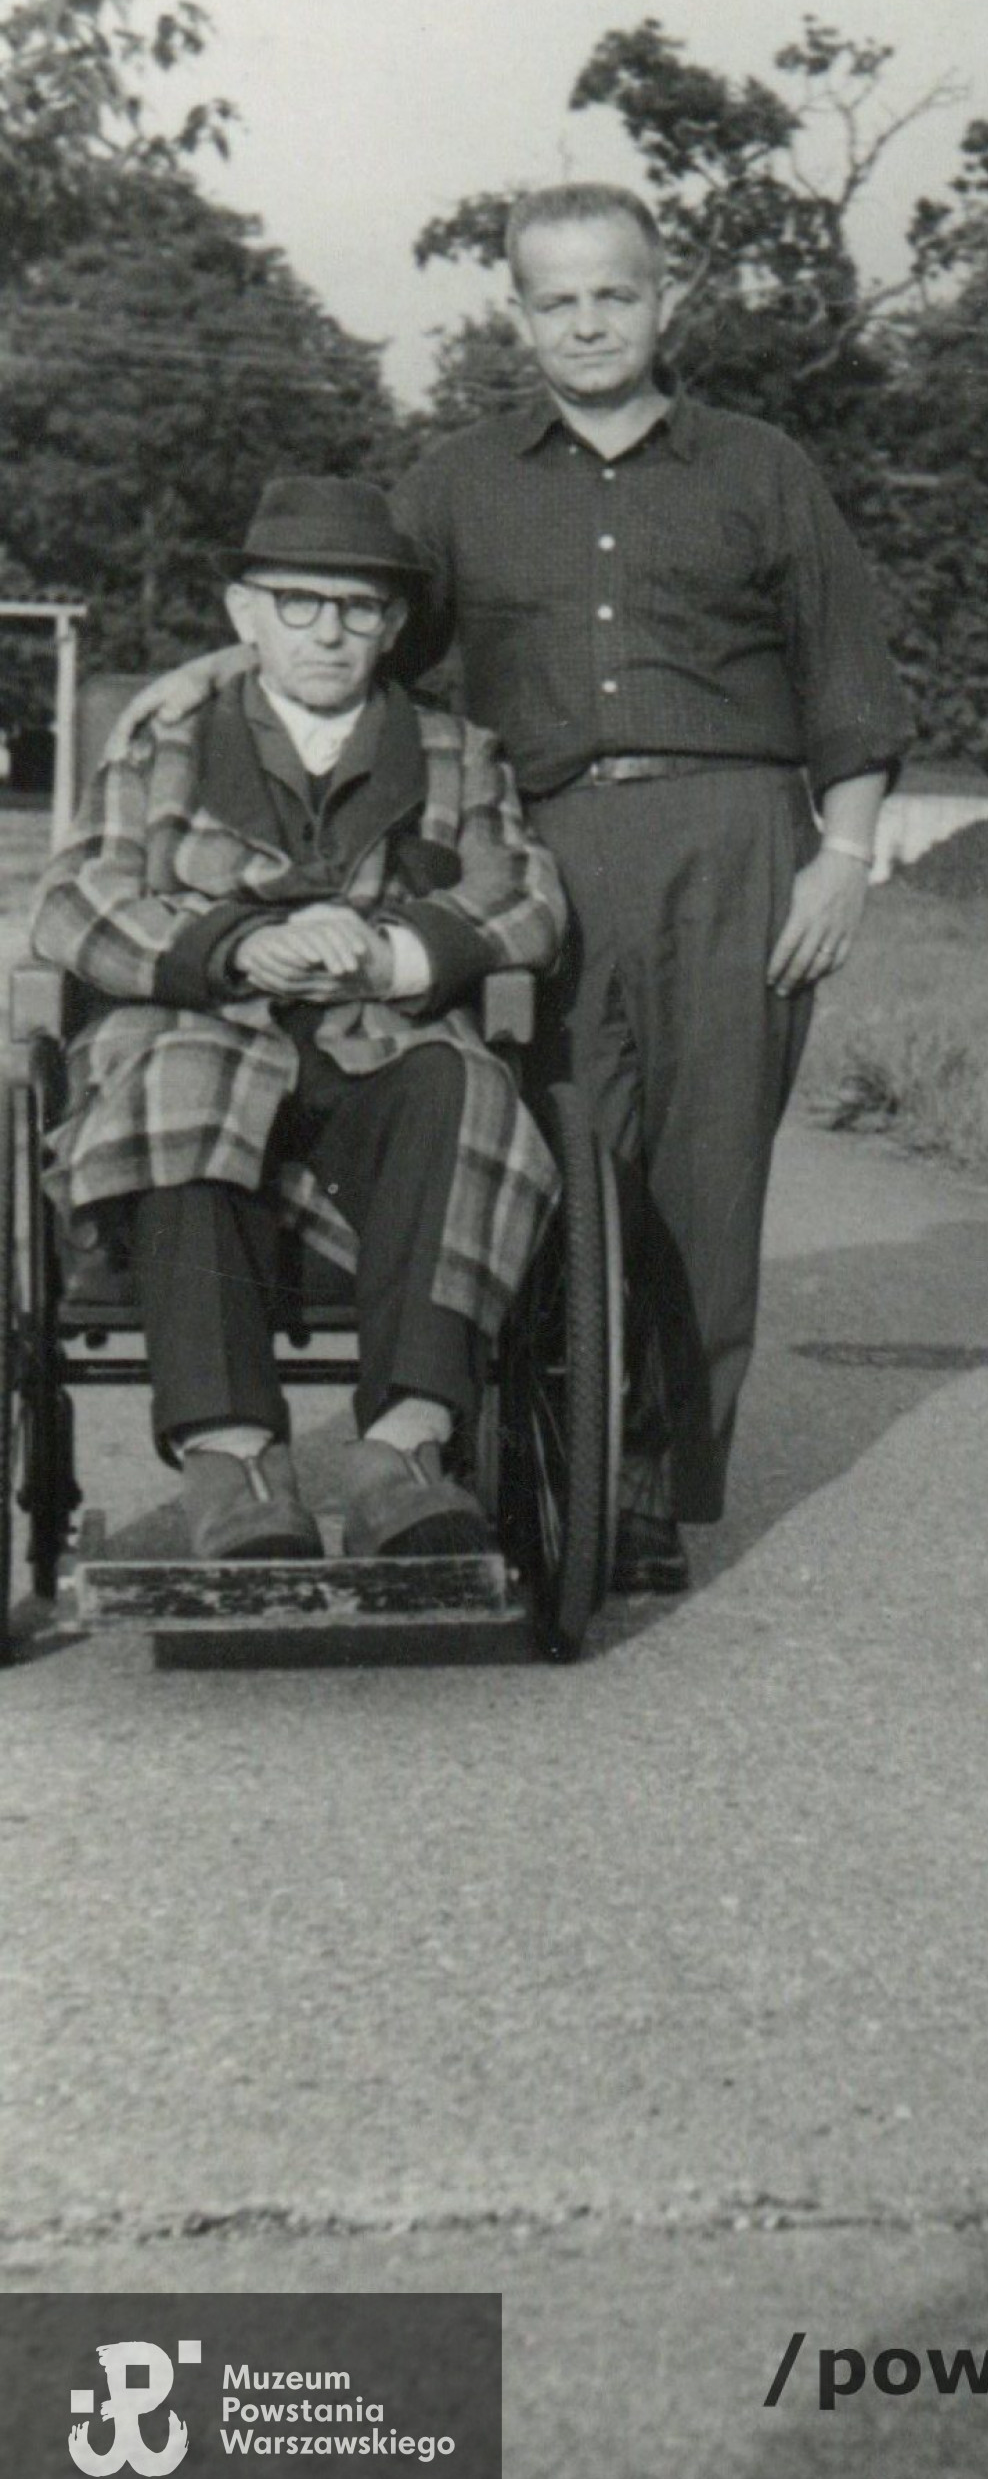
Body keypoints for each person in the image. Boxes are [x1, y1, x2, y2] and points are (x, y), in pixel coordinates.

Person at [389, 181, 913, 1590]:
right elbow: (359, 655)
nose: (587, 321)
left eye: (613, 292)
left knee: (700, 1173)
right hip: (536, 844)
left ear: (663, 298)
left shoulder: (759, 466)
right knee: (549, 1152)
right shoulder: (455, 480)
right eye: (555, 299)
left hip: (735, 844)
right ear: (518, 316)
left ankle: (642, 1489)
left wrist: (843, 860)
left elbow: (846, 671)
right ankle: (522, 1442)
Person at [31, 477, 567, 1565]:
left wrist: (395, 948)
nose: (329, 629)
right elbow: (75, 900)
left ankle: (403, 1452)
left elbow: (527, 897)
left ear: (395, 624)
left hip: (380, 1044)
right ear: (245, 616)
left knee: (462, 1086)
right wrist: (230, 946)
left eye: (359, 607)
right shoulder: (166, 744)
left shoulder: (458, 752)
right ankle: (235, 1466)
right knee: (181, 1079)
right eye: (300, 601)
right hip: (208, 1031)